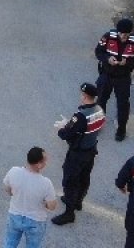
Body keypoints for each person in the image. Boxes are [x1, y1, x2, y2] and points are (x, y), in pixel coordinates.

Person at [50, 82, 106, 226]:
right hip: (91, 149)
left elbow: (66, 134)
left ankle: (69, 213)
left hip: (78, 154)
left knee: (70, 181)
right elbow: (95, 128)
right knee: (84, 177)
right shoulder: (99, 110)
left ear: (85, 96)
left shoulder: (80, 116)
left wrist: (62, 128)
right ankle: (78, 202)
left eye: (82, 94)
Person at [95, 18, 134, 141]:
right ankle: (98, 124)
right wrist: (107, 59)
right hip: (106, 75)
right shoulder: (108, 37)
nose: (123, 36)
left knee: (122, 104)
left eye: (126, 34)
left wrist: (127, 63)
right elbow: (98, 51)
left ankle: (121, 129)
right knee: (101, 100)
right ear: (117, 32)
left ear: (130, 33)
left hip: (123, 77)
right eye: (121, 33)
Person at [2, 147, 59, 248]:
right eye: (44, 160)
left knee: (9, 243)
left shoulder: (13, 171)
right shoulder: (46, 183)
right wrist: (45, 203)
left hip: (15, 216)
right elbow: (52, 206)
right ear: (38, 164)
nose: (46, 163)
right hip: (35, 221)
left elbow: (7, 188)